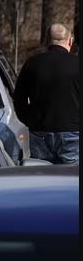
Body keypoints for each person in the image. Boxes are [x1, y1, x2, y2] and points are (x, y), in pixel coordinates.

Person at [13, 23, 79, 164]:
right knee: (71, 180)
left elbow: (19, 99)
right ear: (70, 41)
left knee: (42, 178)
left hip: (40, 131)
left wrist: (30, 120)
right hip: (73, 133)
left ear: (46, 41)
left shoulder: (32, 64)